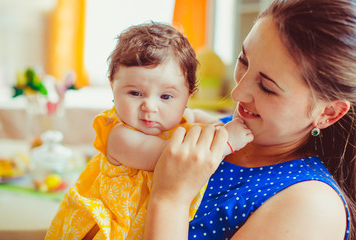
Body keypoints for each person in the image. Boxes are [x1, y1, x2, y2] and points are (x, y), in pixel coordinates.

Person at [143, 0, 356, 239]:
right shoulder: (223, 129)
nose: (237, 93)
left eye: (267, 87)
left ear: (328, 113)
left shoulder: (312, 207)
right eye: (243, 61)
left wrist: (171, 199)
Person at [45, 22, 253, 240]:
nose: (150, 107)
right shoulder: (119, 135)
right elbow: (173, 156)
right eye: (135, 93)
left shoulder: (182, 117)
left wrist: (219, 126)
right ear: (112, 86)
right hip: (116, 225)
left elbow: (201, 116)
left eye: (165, 97)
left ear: (188, 96)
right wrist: (226, 141)